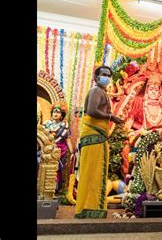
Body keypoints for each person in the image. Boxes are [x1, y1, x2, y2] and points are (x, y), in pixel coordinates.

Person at [75, 66, 124, 219]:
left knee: (95, 173)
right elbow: (91, 111)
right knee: (93, 173)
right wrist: (111, 117)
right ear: (96, 78)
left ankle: (89, 208)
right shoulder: (96, 91)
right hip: (94, 136)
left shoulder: (102, 92)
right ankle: (89, 209)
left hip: (97, 137)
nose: (106, 77)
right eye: (103, 75)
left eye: (109, 75)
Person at [43, 101, 74, 193]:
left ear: (62, 115)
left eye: (58, 112)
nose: (55, 114)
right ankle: (43, 186)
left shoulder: (64, 126)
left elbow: (68, 139)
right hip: (47, 150)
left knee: (56, 169)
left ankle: (55, 188)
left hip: (60, 150)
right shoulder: (46, 124)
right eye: (54, 112)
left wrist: (72, 152)